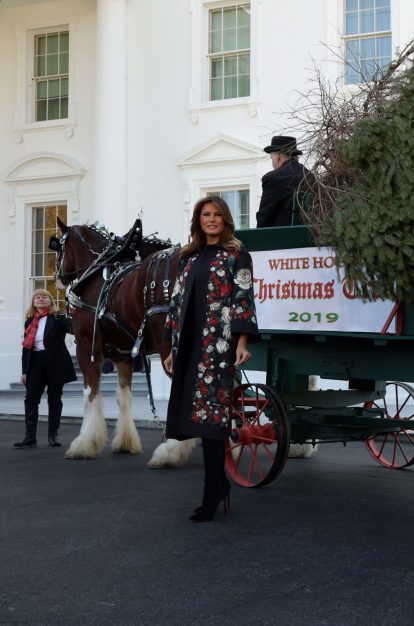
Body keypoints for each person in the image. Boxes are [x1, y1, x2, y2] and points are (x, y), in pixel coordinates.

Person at [163, 196, 258, 522]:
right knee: (198, 418)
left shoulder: (237, 255)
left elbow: (243, 299)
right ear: (198, 219)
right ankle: (217, 485)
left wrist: (242, 341)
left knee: (213, 420)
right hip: (189, 347)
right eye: (206, 214)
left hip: (218, 347)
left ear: (225, 219)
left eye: (217, 214)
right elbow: (175, 304)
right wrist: (168, 349)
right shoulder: (187, 257)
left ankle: (213, 489)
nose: (212, 219)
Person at [15, 289, 77, 448]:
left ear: (50, 302)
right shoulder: (29, 321)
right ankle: (30, 437)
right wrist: (24, 371)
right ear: (33, 302)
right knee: (30, 399)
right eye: (37, 297)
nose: (40, 299)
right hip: (35, 362)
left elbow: (73, 329)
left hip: (55, 362)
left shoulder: (57, 318)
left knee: (54, 399)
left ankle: (53, 436)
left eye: (44, 297)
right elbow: (26, 348)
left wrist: (73, 315)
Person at [256, 135, 311, 227]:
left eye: (271, 158)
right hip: (311, 238)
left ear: (278, 157)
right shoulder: (310, 176)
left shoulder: (272, 178)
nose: (272, 163)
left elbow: (264, 218)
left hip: (280, 238)